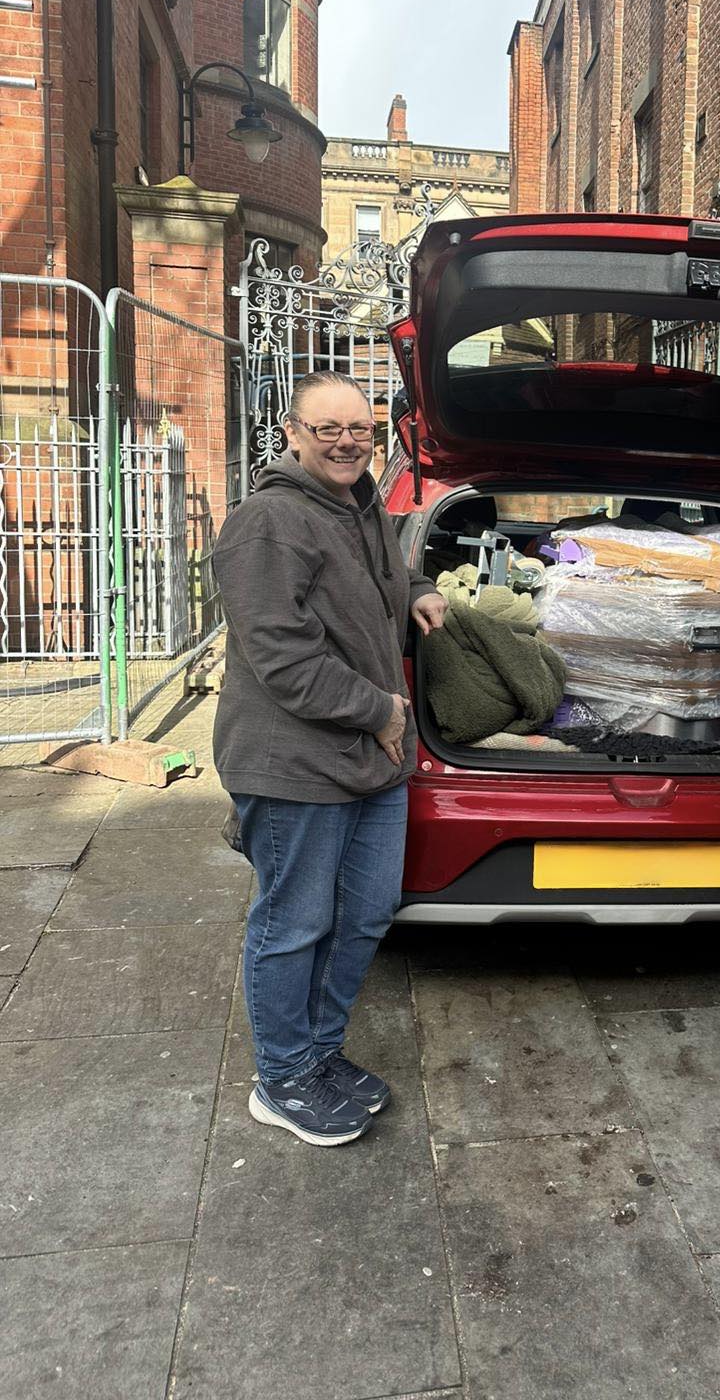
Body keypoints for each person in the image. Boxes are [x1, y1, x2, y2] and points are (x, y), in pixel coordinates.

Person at [213, 371, 447, 1147]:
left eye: (360, 428)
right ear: (291, 433)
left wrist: (415, 587)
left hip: (373, 757)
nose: (348, 441)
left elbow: (380, 573)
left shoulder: (361, 504)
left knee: (368, 911)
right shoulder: (268, 523)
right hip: (294, 763)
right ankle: (280, 1078)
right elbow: (282, 658)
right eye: (328, 429)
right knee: (294, 922)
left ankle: (316, 1053)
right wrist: (379, 708)